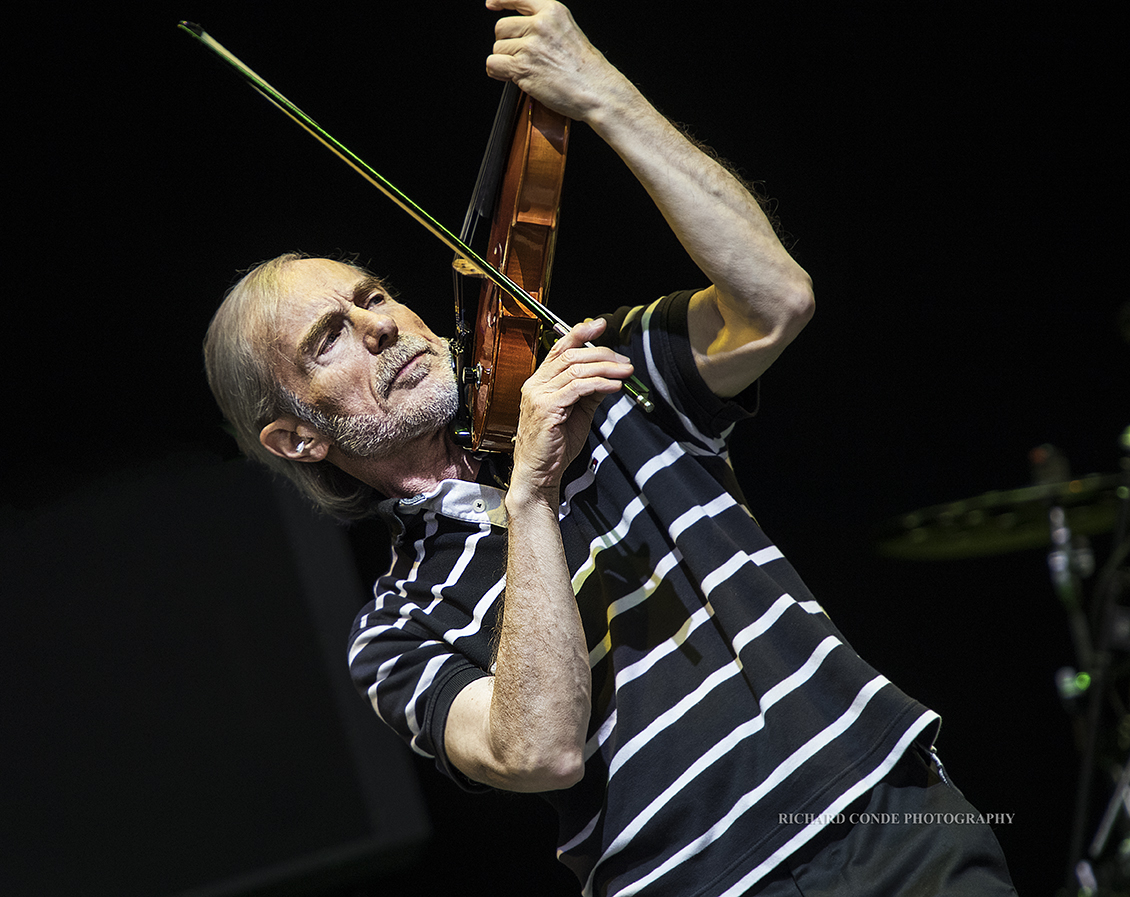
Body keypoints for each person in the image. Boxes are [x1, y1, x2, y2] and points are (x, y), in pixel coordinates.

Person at [203, 1, 1018, 894]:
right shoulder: (396, 628)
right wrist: (531, 494)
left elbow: (776, 298)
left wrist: (602, 96)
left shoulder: (598, 379)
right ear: (296, 436)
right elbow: (538, 748)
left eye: (374, 297)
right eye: (330, 338)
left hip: (892, 815)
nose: (382, 327)